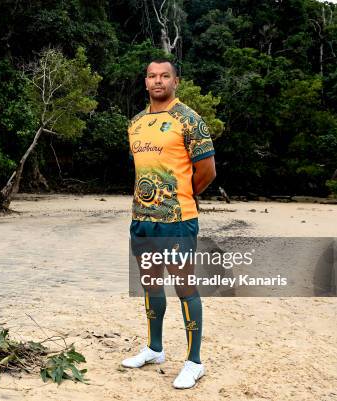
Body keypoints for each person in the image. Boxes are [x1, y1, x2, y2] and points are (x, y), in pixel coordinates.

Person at [122, 59, 216, 390]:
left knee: (185, 288)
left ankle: (194, 362)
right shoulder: (135, 123)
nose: (157, 80)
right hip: (142, 222)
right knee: (150, 285)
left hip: (177, 222)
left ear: (176, 80)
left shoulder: (190, 120)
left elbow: (207, 172)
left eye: (164, 75)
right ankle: (154, 348)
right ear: (145, 82)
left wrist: (181, 196)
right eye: (151, 76)